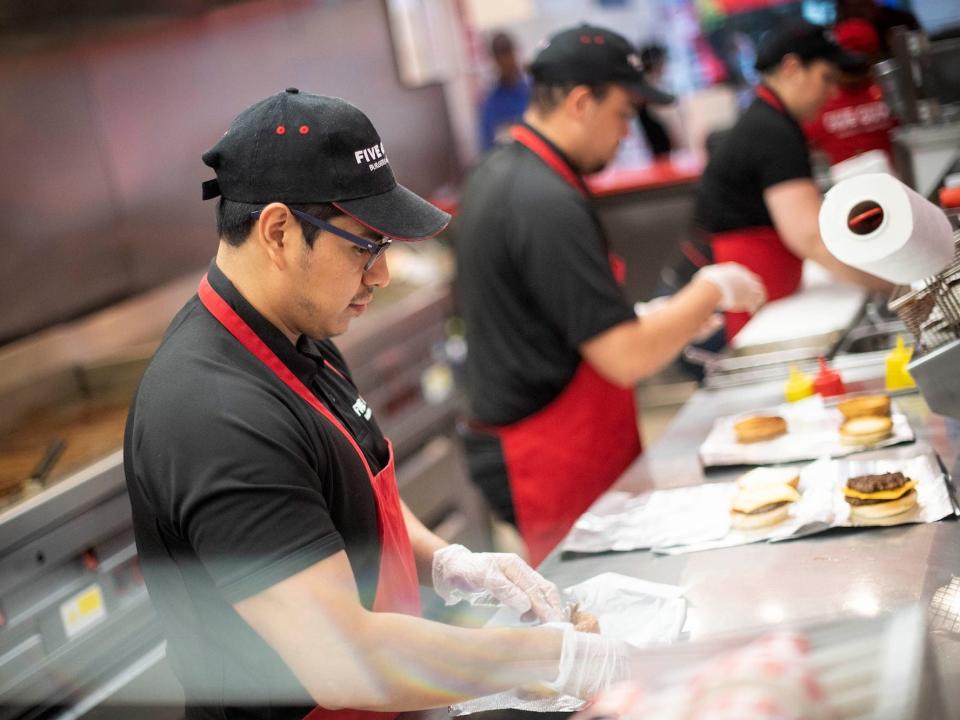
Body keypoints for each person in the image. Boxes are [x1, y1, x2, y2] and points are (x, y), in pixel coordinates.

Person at [123, 88, 635, 719]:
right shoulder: (211, 412)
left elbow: (354, 497)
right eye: (365, 246)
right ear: (279, 232)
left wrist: (447, 561)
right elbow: (343, 660)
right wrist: (546, 660)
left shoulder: (298, 334)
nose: (383, 274)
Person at [453, 25, 766, 564]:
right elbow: (624, 357)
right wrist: (709, 289)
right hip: (548, 450)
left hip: (555, 432)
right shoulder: (542, 199)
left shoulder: (509, 172)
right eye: (623, 113)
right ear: (580, 102)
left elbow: (552, 312)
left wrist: (655, 315)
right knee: (595, 610)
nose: (626, 133)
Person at [692, 19, 893, 342]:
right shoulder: (772, 132)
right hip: (748, 307)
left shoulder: (768, 120)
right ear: (792, 67)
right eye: (826, 78)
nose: (832, 93)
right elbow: (810, 238)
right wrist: (892, 284)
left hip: (766, 297)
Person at [804, 18, 897, 166]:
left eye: (858, 64)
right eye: (848, 65)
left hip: (892, 181)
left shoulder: (890, 91)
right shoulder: (819, 98)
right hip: (842, 184)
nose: (852, 73)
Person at [479, 31, 531, 151]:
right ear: (494, 61)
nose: (507, 63)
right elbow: (488, 148)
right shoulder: (490, 105)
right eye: (500, 58)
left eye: (509, 55)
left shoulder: (534, 91)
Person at [635, 43, 675, 159]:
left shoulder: (657, 84)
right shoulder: (647, 88)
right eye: (663, 62)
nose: (664, 66)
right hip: (658, 150)